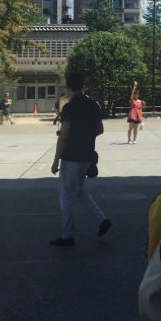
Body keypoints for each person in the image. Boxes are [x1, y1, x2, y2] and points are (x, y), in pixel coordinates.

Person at [50, 71, 111, 247]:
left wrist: (55, 161)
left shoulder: (69, 107)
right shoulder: (94, 105)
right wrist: (85, 134)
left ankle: (67, 234)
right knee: (78, 190)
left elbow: (64, 135)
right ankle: (102, 219)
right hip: (87, 155)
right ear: (83, 85)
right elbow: (100, 129)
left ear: (68, 87)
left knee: (66, 195)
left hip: (71, 157)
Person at [127, 80, 144, 145]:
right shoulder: (132, 100)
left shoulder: (140, 101)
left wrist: (141, 117)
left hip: (137, 116)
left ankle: (134, 139)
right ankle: (129, 139)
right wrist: (134, 86)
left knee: (136, 129)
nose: (136, 95)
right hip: (132, 115)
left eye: (137, 94)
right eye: (135, 94)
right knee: (130, 128)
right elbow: (131, 94)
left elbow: (140, 110)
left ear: (139, 95)